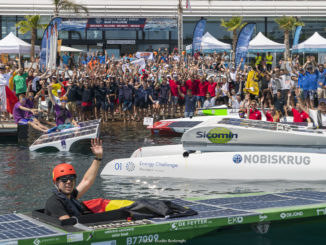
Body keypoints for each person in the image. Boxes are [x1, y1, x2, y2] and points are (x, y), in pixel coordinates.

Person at [44, 138, 103, 220]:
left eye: (71, 178)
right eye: (64, 179)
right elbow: (68, 223)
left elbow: (87, 181)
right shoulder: (54, 203)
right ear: (56, 183)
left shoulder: (71, 197)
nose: (68, 181)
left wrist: (98, 157)